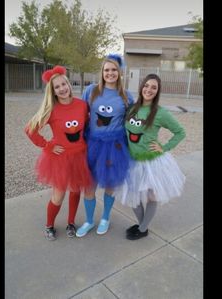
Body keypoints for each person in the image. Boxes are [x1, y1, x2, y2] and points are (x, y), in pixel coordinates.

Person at [25, 65, 93, 240]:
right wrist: (48, 145)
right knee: (59, 194)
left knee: (76, 190)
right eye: (57, 87)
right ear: (53, 91)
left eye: (64, 84)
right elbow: (30, 130)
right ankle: (49, 225)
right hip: (61, 158)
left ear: (69, 84)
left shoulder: (82, 105)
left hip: (80, 156)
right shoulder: (51, 109)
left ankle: (71, 223)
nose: (62, 88)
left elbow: (88, 127)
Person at [115, 73, 186, 240]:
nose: (149, 89)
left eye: (154, 87)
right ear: (141, 87)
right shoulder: (132, 108)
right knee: (134, 195)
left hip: (152, 162)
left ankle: (143, 228)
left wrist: (164, 147)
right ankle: (142, 226)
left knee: (151, 196)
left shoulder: (160, 113)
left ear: (158, 91)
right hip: (132, 160)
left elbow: (180, 132)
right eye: (146, 86)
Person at [75, 54, 134, 237]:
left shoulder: (126, 97)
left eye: (114, 70)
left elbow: (132, 123)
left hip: (115, 147)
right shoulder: (91, 91)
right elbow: (80, 116)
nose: (110, 73)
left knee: (110, 183)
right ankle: (89, 220)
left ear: (120, 72)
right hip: (93, 145)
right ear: (102, 72)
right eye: (107, 70)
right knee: (89, 185)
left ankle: (105, 218)